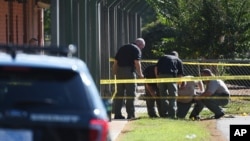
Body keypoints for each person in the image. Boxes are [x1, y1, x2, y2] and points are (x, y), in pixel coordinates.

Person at [112, 38, 145, 119]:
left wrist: (115, 73)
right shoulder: (136, 49)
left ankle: (117, 114)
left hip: (119, 72)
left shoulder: (123, 48)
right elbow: (137, 62)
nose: (141, 49)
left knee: (119, 94)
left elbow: (115, 62)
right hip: (129, 72)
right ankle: (130, 114)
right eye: (142, 47)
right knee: (130, 94)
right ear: (140, 44)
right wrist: (140, 75)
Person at [155, 51, 184, 118]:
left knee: (163, 96)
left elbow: (156, 68)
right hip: (171, 77)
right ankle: (172, 115)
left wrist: (157, 78)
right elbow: (180, 74)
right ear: (177, 55)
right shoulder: (178, 60)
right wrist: (178, 84)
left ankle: (164, 114)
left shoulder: (163, 57)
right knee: (172, 97)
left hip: (160, 76)